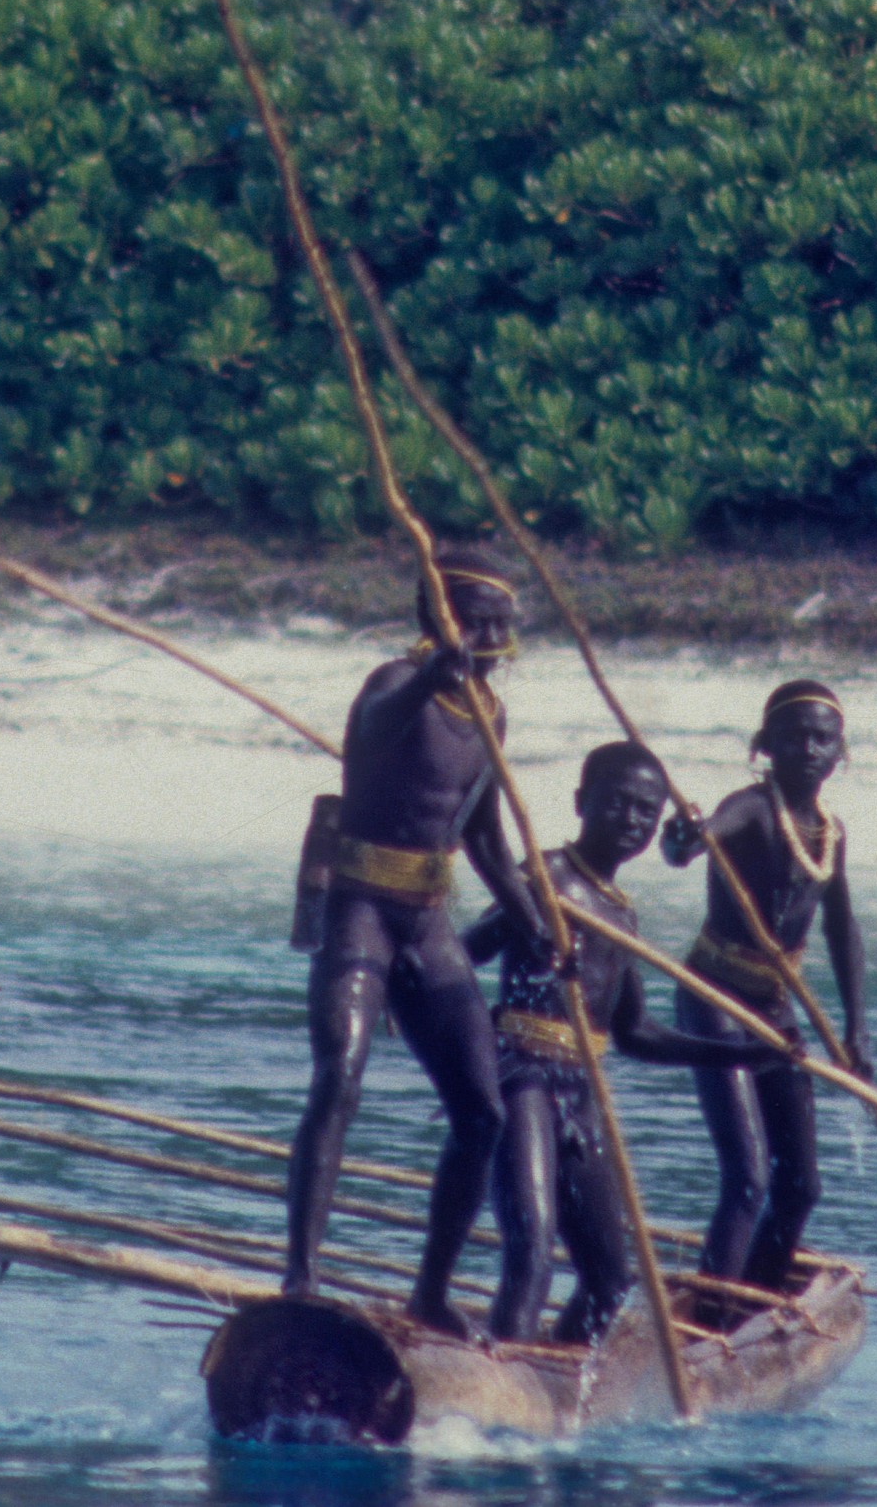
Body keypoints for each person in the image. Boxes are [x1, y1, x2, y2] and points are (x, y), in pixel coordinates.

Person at [283, 562, 559, 1336]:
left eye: (502, 624)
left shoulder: (492, 716)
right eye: (475, 621)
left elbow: (485, 840)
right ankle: (300, 1274)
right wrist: (429, 673)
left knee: (482, 1111)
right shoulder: (390, 682)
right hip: (361, 908)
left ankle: (429, 1293)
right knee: (339, 1072)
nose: (493, 639)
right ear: (438, 617)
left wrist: (534, 921)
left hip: (429, 919)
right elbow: (371, 735)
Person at [460, 742, 762, 1342]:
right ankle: (506, 1379)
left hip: (580, 1095)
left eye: (646, 812)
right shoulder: (543, 879)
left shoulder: (621, 917)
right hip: (521, 1079)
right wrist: (527, 936)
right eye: (618, 804)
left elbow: (634, 1034)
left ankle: (560, 1381)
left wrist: (748, 1051)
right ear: (581, 802)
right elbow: (466, 952)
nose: (632, 821)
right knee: (533, 1250)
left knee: (610, 1280)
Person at [663, 679, 865, 1290]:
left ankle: (753, 1296)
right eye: (793, 736)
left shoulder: (832, 831)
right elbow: (691, 846)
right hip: (715, 997)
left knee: (801, 1188)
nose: (808, 747)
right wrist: (685, 837)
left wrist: (856, 1032)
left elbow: (842, 929)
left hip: (777, 1007)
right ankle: (711, 1318)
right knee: (747, 1178)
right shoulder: (750, 808)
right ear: (764, 746)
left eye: (821, 738)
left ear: (840, 752)